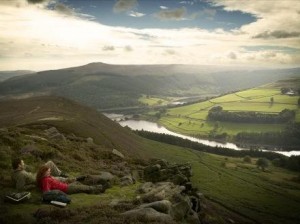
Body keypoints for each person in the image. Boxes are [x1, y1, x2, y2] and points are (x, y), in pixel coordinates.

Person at [36, 165, 106, 194]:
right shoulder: (45, 180)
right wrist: (58, 191)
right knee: (84, 188)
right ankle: (101, 188)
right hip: (67, 189)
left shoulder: (48, 177)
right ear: (44, 172)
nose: (50, 172)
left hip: (66, 185)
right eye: (48, 171)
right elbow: (46, 192)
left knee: (79, 183)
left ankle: (96, 184)